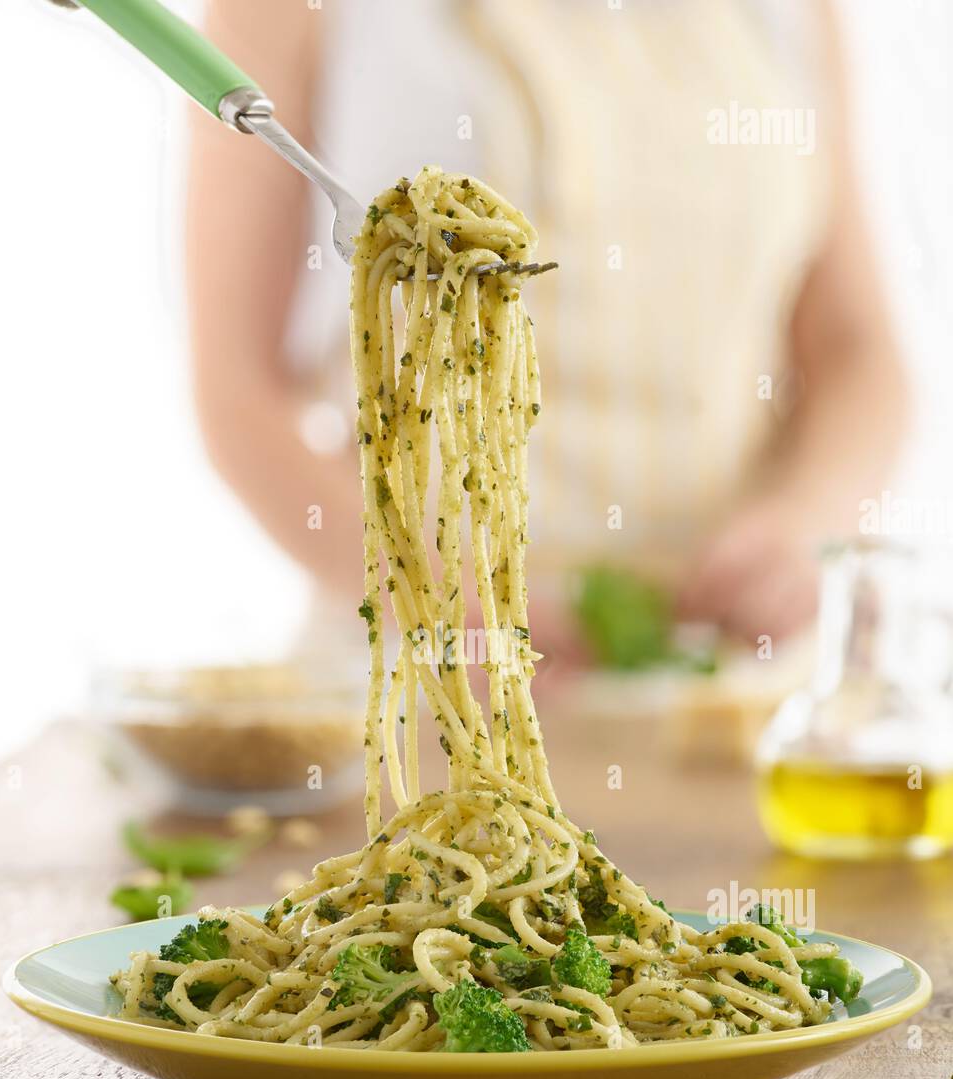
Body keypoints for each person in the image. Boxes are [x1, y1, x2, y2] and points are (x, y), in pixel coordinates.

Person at [187, 0, 907, 664]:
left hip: (737, 680)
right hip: (417, 675)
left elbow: (856, 349)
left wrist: (809, 520)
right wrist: (420, 587)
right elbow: (236, 389)